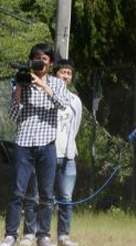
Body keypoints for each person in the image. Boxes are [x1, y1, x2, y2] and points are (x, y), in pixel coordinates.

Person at [2, 44, 69, 246]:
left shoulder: (57, 84)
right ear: (31, 61)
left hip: (47, 144)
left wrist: (43, 86)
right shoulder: (21, 82)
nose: (41, 62)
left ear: (49, 63)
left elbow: (62, 105)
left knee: (47, 194)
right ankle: (11, 234)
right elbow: (14, 115)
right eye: (37, 58)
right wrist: (20, 89)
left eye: (45, 59)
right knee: (17, 191)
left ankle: (43, 235)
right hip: (23, 143)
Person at [18, 60, 83, 246]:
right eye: (63, 72)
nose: (66, 76)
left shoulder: (75, 100)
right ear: (55, 74)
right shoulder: (42, 94)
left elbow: (75, 126)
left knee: (66, 199)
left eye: (69, 74)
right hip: (46, 152)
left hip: (68, 155)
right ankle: (33, 233)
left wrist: (70, 146)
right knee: (37, 196)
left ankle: (63, 236)